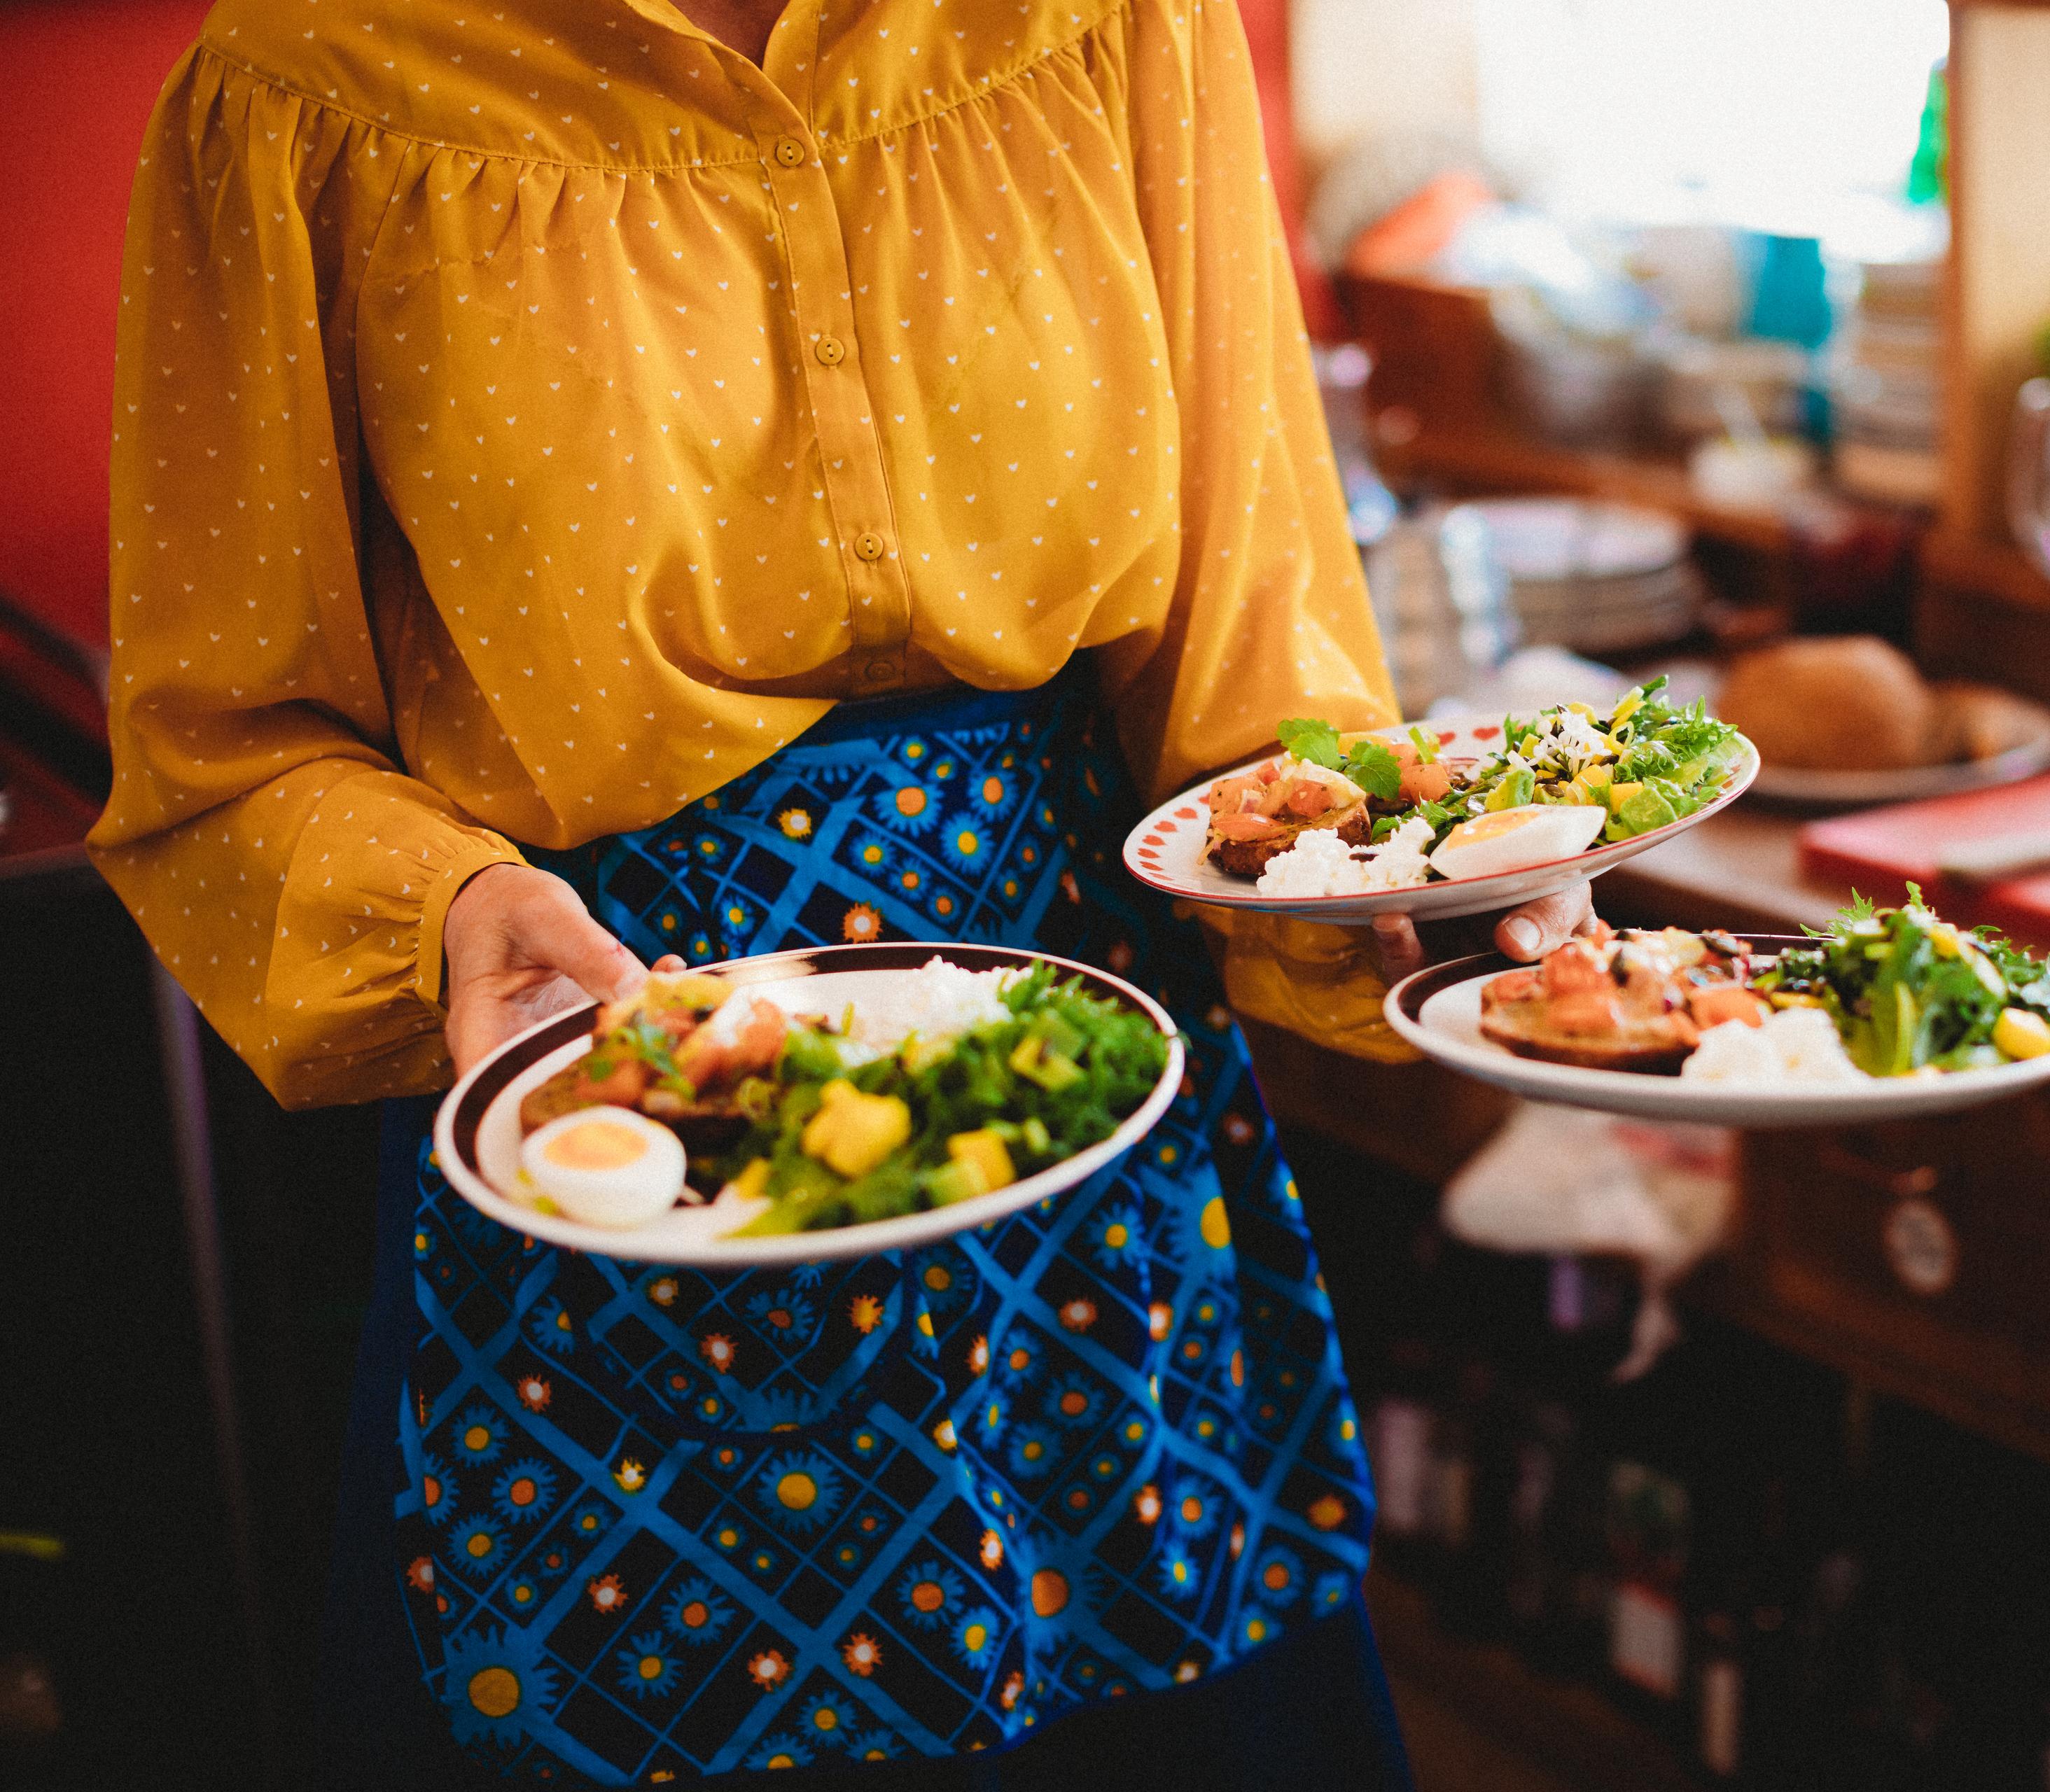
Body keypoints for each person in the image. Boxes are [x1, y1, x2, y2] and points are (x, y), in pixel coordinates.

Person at [88, 1, 1589, 1784]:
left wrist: (1380, 872)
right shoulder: (304, 87)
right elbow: (223, 751)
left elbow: (1249, 647)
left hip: (1086, 1101)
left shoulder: (1113, 19)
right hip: (633, 1089)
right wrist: (443, 914)